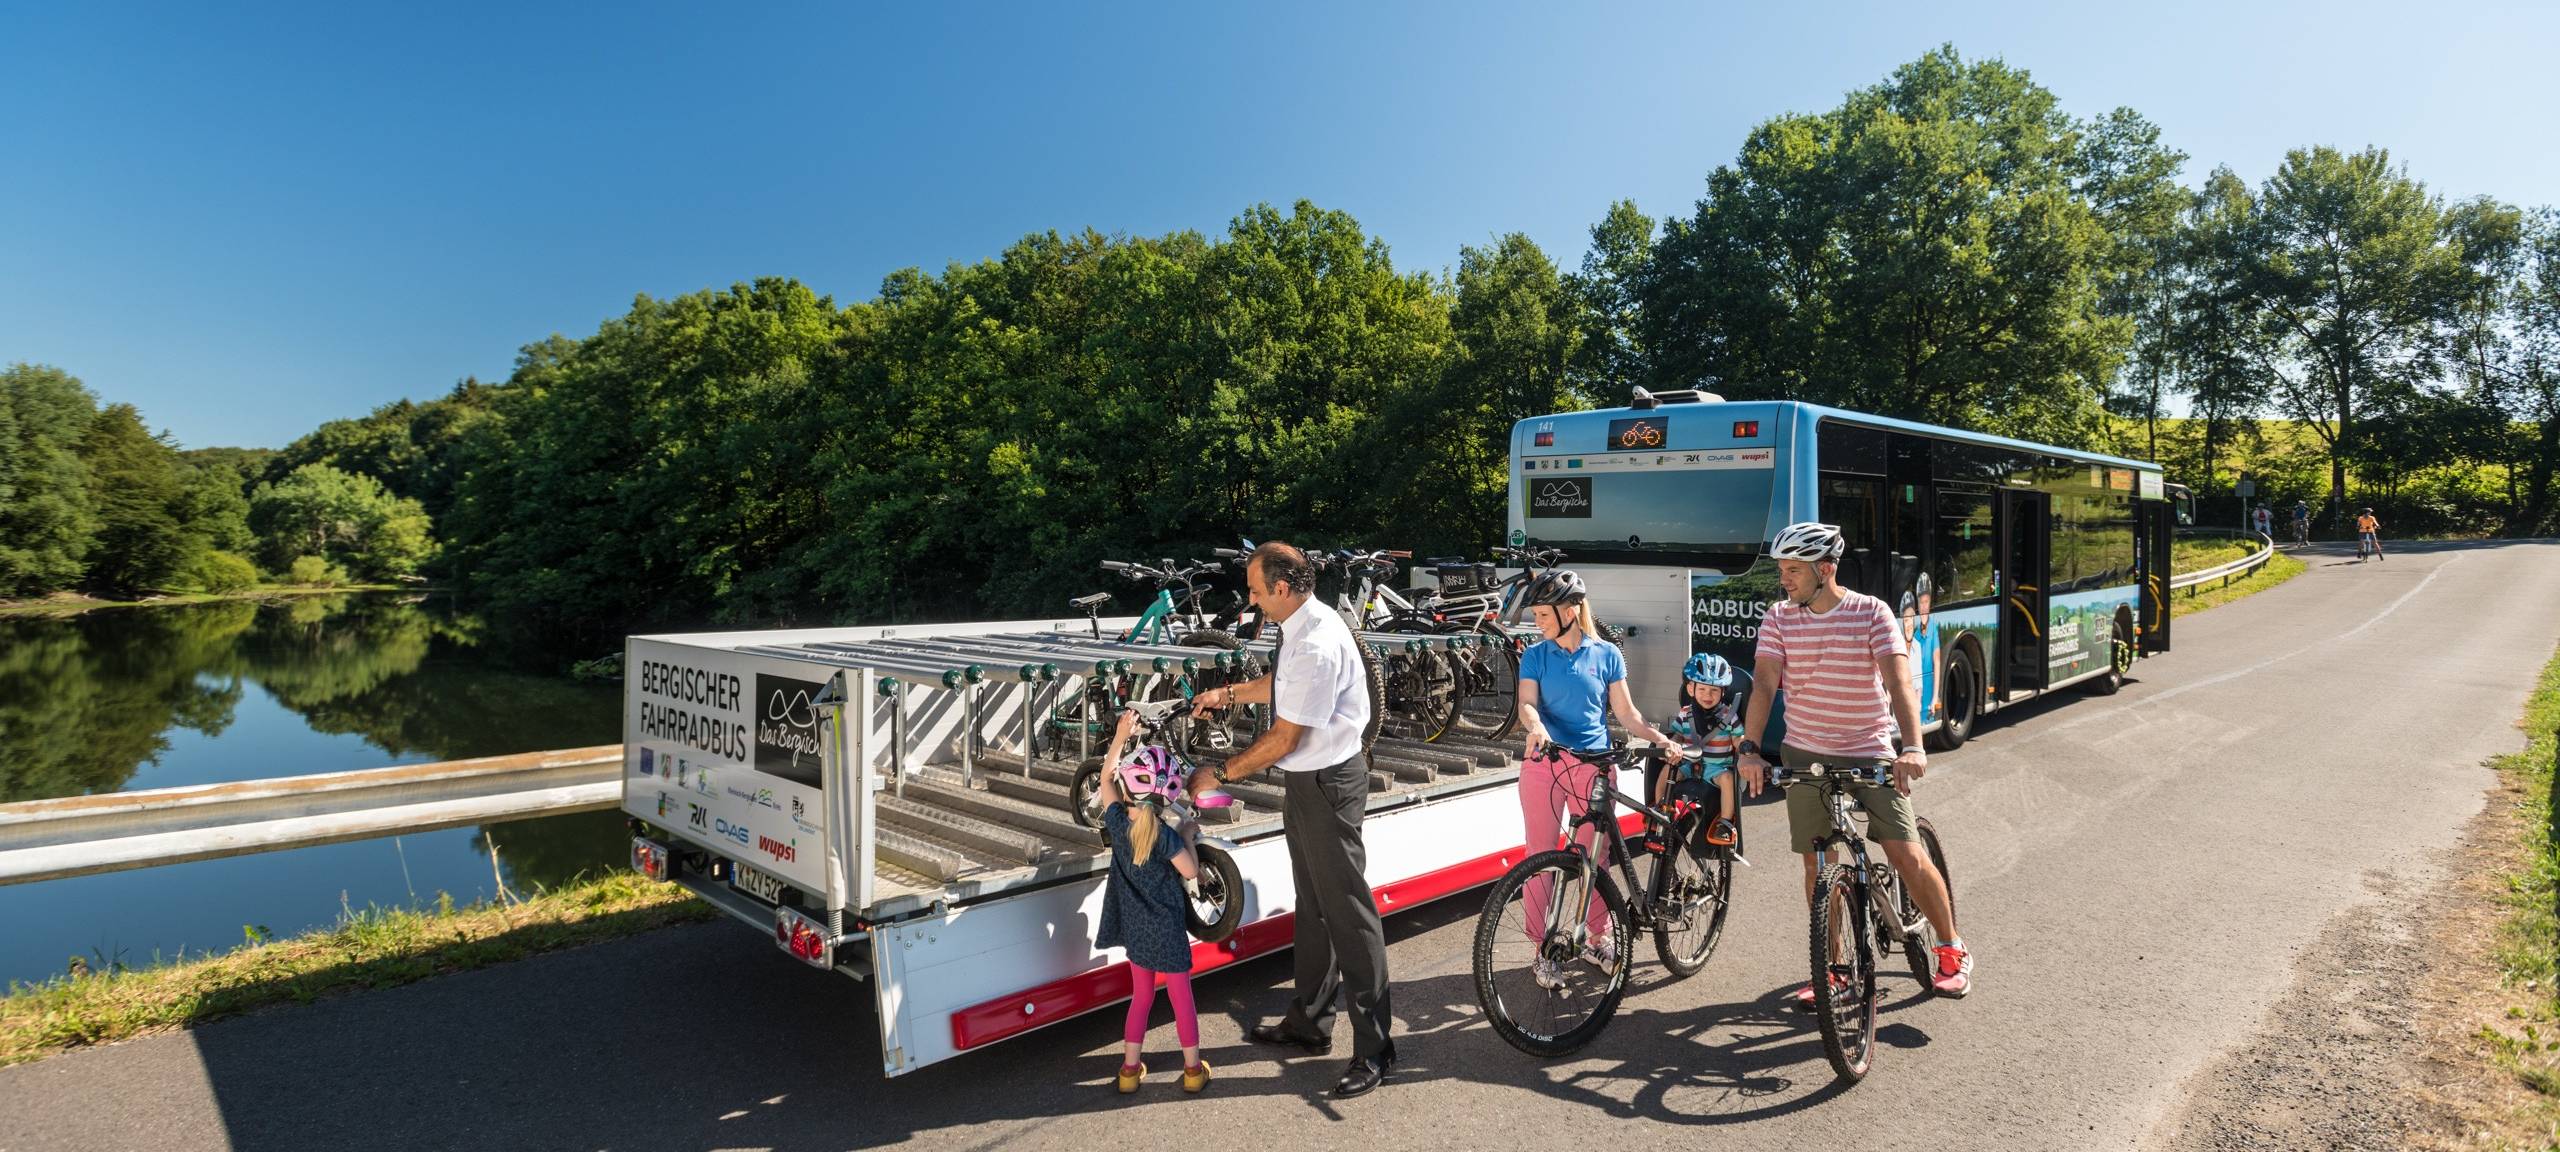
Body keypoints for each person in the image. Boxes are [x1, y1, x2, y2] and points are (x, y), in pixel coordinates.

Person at [1187, 541, 1393, 1098]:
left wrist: (1220, 773)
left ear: (1281, 588)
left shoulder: (1319, 641)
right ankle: (1310, 1022)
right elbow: (1282, 686)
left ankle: (1375, 1049)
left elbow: (1284, 736)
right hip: (1309, 781)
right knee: (1315, 907)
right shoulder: (1299, 624)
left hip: (1329, 782)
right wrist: (1226, 694)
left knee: (1348, 913)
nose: (1251, 601)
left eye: (1255, 591)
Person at [1737, 521, 1972, 999]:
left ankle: (1951, 946)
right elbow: (1764, 684)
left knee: (1904, 851)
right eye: (1782, 569)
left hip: (1869, 746)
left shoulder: (1871, 613)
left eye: (1794, 570)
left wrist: (1911, 746)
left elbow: (1898, 683)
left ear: (1825, 570)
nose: (1784, 579)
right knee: (1818, 866)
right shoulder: (1779, 617)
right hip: (1804, 750)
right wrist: (1750, 748)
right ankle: (1834, 966)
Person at [1509, 569, 1682, 988]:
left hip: (1594, 766)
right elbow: (1527, 705)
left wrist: (1659, 737)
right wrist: (1537, 728)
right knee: (1540, 859)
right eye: (1535, 614)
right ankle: (1542, 949)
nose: (1537, 622)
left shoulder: (1606, 654)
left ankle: (1595, 939)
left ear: (1569, 611)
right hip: (1545, 764)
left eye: (1543, 614)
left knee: (1594, 859)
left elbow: (1626, 713)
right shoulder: (1535, 655)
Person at [1092, 743, 1211, 1094]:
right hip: (1168, 930)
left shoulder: (1115, 823)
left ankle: (1129, 1070)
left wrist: (1121, 735)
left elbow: (1104, 778)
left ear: (1129, 788)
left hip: (1136, 931)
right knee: (1181, 998)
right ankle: (1192, 1070)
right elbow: (1190, 871)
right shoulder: (1165, 835)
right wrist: (1188, 836)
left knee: (1141, 997)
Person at [1657, 652, 1743, 852]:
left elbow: (1738, 737)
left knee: (1728, 780)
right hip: (1688, 764)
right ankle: (1659, 807)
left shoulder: (1729, 715)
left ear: (1723, 692)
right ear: (1690, 688)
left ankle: (1725, 822)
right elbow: (1678, 735)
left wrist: (1744, 746)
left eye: (1714, 690)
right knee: (1668, 770)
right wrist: (1673, 744)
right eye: (1702, 688)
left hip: (1716, 769)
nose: (1707, 695)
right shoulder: (1685, 713)